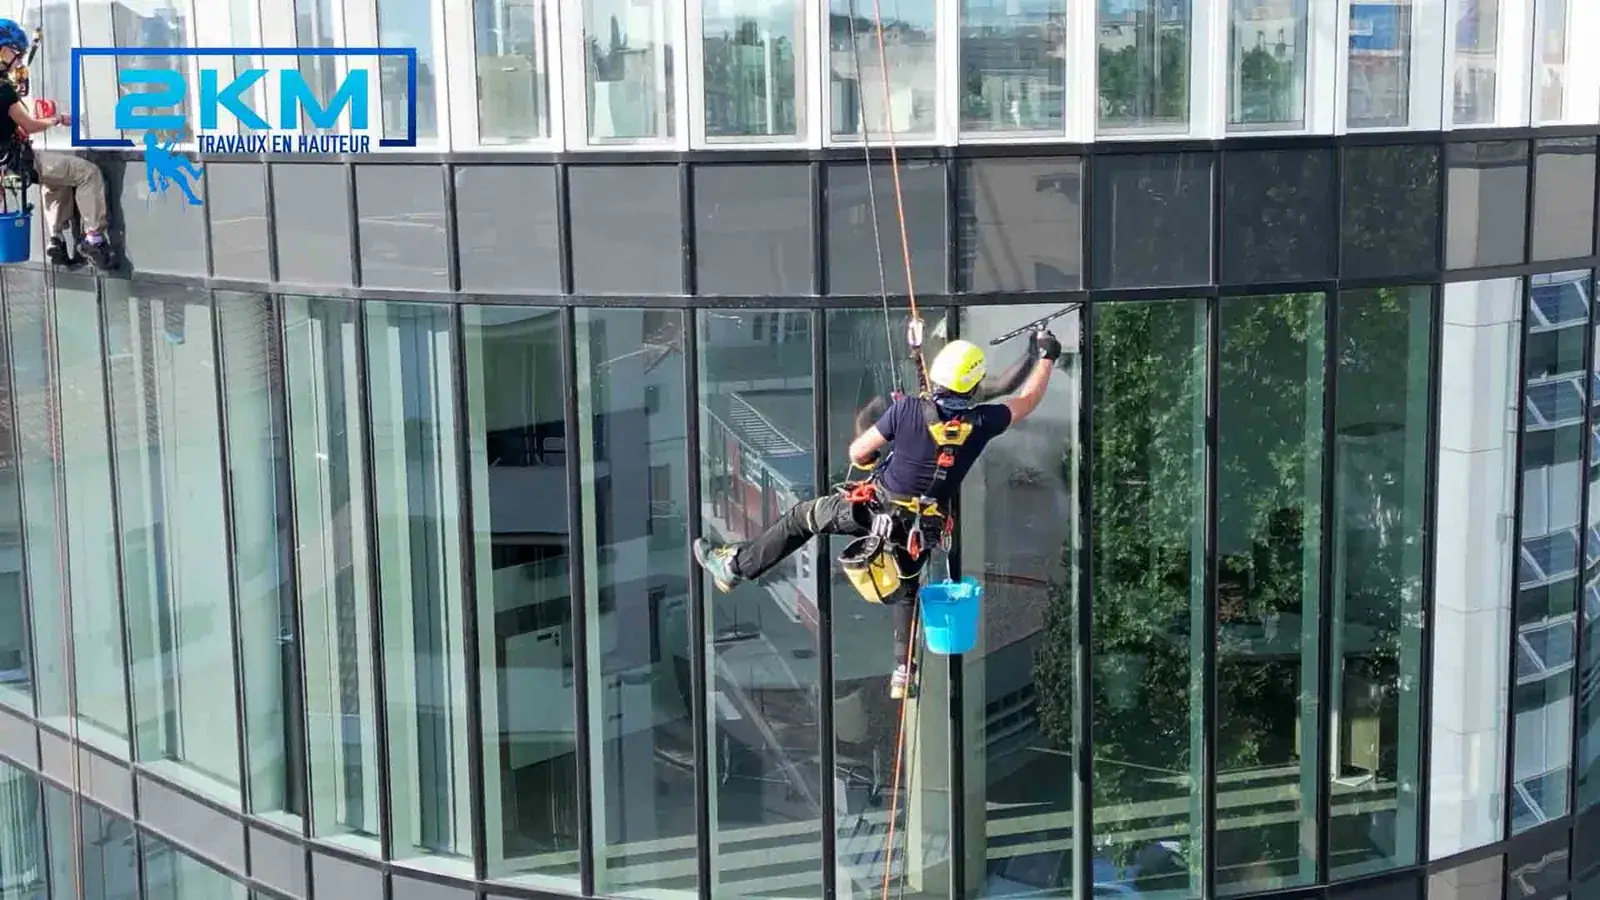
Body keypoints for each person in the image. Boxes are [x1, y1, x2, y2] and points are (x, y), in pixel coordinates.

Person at [694, 330, 1062, 699]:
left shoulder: (907, 410)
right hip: (921, 526)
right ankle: (902, 672)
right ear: (974, 384)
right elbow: (1027, 400)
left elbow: (858, 453)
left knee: (801, 518)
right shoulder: (982, 422)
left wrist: (881, 451)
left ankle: (736, 566)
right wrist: (1046, 357)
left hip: (872, 511)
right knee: (907, 584)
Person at [0, 19, 114, 270]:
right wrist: (57, 119)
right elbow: (30, 125)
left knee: (57, 178)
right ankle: (94, 238)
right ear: (3, 51)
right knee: (87, 173)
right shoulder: (4, 90)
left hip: (6, 167)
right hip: (16, 163)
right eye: (17, 54)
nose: (19, 61)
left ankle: (56, 238)